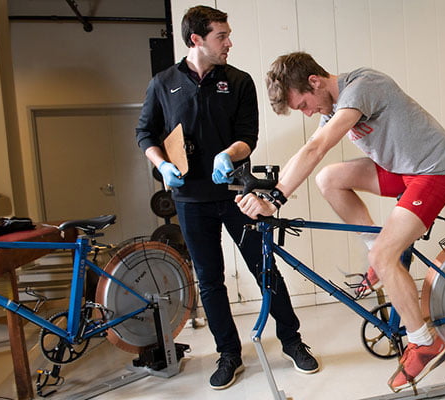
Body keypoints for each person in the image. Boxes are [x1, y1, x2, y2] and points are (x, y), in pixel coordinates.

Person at [235, 52, 445, 392]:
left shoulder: (361, 87)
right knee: (329, 179)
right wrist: (273, 189)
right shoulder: (331, 107)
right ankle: (383, 254)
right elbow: (311, 150)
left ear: (315, 82)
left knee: (382, 258)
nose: (308, 113)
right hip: (402, 170)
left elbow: (317, 147)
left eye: (304, 105)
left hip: (434, 171)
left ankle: (424, 342)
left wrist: (277, 198)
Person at [134, 6, 319, 390]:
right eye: (222, 36)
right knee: (210, 280)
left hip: (238, 195)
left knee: (264, 267)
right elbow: (145, 133)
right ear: (196, 39)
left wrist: (229, 154)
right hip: (190, 200)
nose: (229, 42)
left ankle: (292, 341)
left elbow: (247, 135)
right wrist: (162, 164)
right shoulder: (163, 82)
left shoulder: (239, 81)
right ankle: (228, 354)